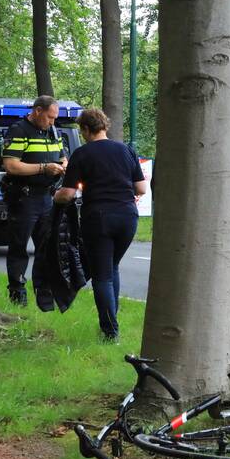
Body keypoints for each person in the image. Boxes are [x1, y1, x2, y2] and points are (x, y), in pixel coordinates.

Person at [53, 108, 146, 341]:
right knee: (111, 268)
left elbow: (67, 194)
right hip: (128, 217)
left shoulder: (82, 154)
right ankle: (111, 321)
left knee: (101, 275)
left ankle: (110, 331)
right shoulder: (126, 150)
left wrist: (54, 197)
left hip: (99, 218)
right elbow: (141, 189)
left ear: (85, 129)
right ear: (104, 125)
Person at [1, 95, 68, 305]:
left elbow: (63, 156)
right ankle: (17, 292)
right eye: (49, 117)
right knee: (19, 246)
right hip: (25, 197)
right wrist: (43, 168)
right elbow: (11, 165)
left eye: (55, 118)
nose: (52, 122)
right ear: (37, 111)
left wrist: (63, 165)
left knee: (47, 246)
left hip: (47, 196)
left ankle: (45, 291)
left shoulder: (53, 132)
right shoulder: (19, 130)